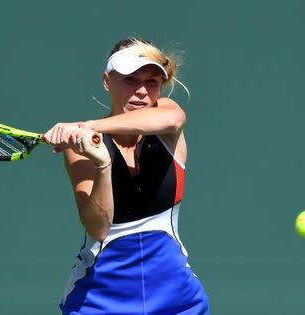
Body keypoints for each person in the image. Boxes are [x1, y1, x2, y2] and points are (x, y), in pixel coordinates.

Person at [43, 37, 210, 315]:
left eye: (152, 81)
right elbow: (98, 227)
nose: (142, 91)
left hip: (178, 301)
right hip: (98, 302)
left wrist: (88, 125)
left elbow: (170, 120)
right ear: (107, 81)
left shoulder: (168, 116)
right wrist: (102, 165)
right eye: (130, 80)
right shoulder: (80, 149)